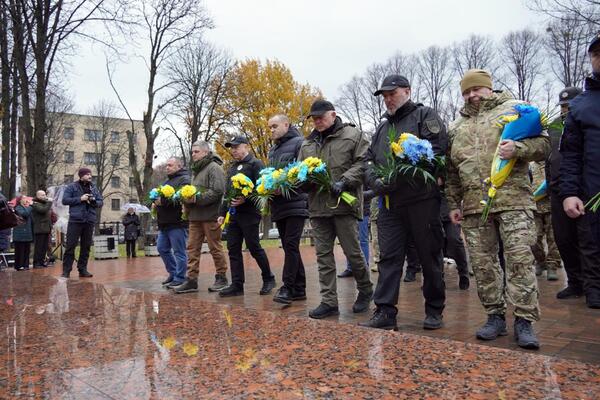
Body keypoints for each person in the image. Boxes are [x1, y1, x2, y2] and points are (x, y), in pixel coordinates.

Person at [445, 69, 550, 349]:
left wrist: (517, 148)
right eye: (466, 91)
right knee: (483, 264)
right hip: (473, 207)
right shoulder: (457, 126)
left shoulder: (515, 111)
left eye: (476, 89)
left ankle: (524, 321)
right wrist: (453, 204)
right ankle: (495, 316)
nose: (472, 95)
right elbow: (452, 171)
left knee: (519, 260)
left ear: (489, 89)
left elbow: (544, 145)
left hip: (513, 200)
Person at [360, 74, 447, 331]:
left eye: (392, 94)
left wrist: (402, 175)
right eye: (384, 96)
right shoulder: (382, 128)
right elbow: (368, 161)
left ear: (407, 91)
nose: (388, 99)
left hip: (421, 201)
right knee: (388, 257)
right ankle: (385, 311)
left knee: (429, 255)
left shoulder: (424, 116)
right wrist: (376, 181)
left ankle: (434, 309)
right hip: (389, 204)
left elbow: (437, 151)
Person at [298, 99, 373, 319]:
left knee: (353, 252)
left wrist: (345, 181)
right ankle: (329, 301)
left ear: (333, 114)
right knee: (323, 256)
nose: (317, 121)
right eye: (314, 118)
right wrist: (301, 181)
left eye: (321, 117)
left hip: (343, 205)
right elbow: (301, 172)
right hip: (318, 207)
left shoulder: (352, 135)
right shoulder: (307, 144)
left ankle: (366, 289)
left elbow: (363, 163)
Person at [559, 33, 600, 309]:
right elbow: (570, 154)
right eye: (597, 53)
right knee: (592, 243)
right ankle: (593, 289)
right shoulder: (581, 106)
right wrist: (570, 192)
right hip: (591, 192)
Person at [217, 136, 276, 297]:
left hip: (250, 214)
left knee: (253, 247)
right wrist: (222, 213)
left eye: (236, 147)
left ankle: (268, 278)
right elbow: (227, 193)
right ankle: (237, 285)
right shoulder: (232, 168)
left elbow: (263, 188)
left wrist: (246, 198)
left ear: (246, 147)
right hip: (234, 216)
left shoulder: (255, 164)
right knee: (233, 249)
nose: (233, 150)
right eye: (232, 148)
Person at [175, 141, 229, 294]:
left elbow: (218, 191)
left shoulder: (214, 167)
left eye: (196, 151)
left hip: (211, 216)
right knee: (192, 249)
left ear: (206, 152)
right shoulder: (196, 170)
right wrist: (186, 198)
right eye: (192, 152)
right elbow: (193, 190)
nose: (193, 154)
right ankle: (191, 280)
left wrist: (197, 199)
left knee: (215, 248)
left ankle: (221, 277)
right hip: (195, 217)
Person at [267, 114, 309, 304]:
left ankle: (287, 287)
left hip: (296, 203)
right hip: (279, 204)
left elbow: (303, 173)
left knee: (291, 245)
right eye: (269, 127)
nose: (272, 130)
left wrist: (284, 185)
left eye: (275, 126)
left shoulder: (300, 143)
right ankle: (300, 288)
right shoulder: (273, 150)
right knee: (288, 246)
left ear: (286, 124)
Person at [154, 157, 190, 288]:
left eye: (170, 165)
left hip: (177, 223)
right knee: (162, 248)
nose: (167, 167)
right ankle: (173, 272)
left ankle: (180, 277)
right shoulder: (167, 181)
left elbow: (181, 198)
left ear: (179, 166)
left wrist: (162, 202)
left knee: (179, 252)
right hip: (164, 223)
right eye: (166, 165)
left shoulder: (184, 179)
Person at [61, 167, 103, 278]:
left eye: (90, 174)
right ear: (81, 175)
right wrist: (80, 199)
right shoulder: (72, 187)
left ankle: (82, 269)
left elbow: (100, 201)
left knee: (86, 246)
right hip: (75, 220)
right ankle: (66, 271)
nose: (90, 176)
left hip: (89, 220)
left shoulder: (93, 187)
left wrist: (93, 201)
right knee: (70, 246)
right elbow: (65, 200)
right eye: (87, 174)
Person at [529, 161, 560, 281]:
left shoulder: (552, 163)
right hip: (535, 208)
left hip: (552, 207)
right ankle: (540, 261)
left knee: (554, 239)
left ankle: (552, 266)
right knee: (534, 239)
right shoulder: (529, 165)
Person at [338, 185, 374, 278]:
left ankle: (364, 267)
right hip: (348, 211)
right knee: (349, 240)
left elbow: (373, 192)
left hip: (363, 211)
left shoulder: (364, 172)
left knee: (363, 240)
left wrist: (357, 195)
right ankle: (350, 268)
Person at [31, 190, 53, 268]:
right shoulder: (35, 204)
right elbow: (42, 210)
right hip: (39, 229)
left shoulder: (44, 204)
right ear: (38, 196)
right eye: (43, 195)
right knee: (39, 247)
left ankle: (41, 262)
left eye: (45, 195)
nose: (45, 196)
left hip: (46, 228)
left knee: (44, 247)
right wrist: (49, 202)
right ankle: (36, 263)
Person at [13, 196, 33, 271]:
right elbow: (25, 214)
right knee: (20, 250)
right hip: (20, 234)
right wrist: (30, 206)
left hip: (27, 233)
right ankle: (19, 265)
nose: (26, 200)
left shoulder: (26, 207)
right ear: (20, 200)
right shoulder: (18, 208)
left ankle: (25, 265)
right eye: (24, 198)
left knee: (27, 250)